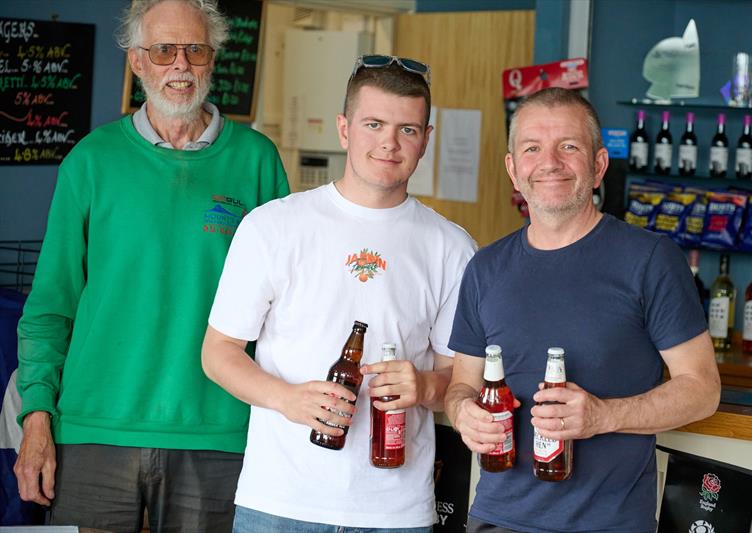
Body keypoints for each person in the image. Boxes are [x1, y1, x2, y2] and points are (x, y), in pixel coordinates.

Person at [14, 0, 289, 530]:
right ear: (138, 62)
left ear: (213, 59)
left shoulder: (257, 162)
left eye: (196, 50)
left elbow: (287, 311)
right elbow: (50, 308)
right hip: (94, 432)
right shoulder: (91, 162)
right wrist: (36, 419)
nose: (180, 65)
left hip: (219, 434)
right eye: (164, 50)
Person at [201, 55, 476, 532]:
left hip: (397, 512)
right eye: (374, 124)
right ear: (344, 128)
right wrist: (287, 398)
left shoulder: (452, 246)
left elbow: (459, 378)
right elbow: (218, 353)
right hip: (279, 505)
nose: (389, 143)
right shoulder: (272, 226)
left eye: (408, 130)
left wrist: (425, 386)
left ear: (426, 139)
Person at [444, 87, 720, 533]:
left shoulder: (650, 259)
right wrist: (463, 415)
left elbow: (703, 389)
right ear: (513, 170)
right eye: (532, 148)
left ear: (598, 165)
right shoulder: (485, 268)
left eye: (568, 146)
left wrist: (604, 416)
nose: (550, 162)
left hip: (609, 524)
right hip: (495, 520)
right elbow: (461, 386)